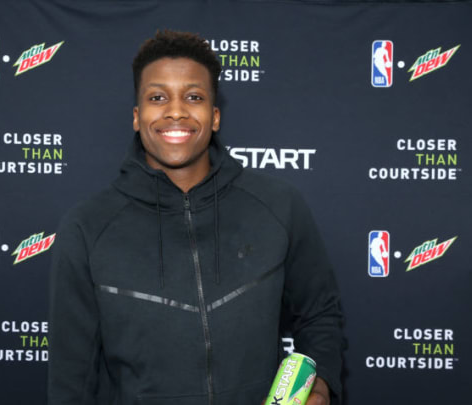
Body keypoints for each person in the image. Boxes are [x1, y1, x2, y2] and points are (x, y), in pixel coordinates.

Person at [48, 30, 343, 405]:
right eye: (158, 98)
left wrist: (318, 387)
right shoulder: (87, 227)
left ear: (215, 116)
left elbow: (320, 314)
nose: (175, 110)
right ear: (137, 118)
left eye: (194, 97)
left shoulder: (279, 205)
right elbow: (70, 378)